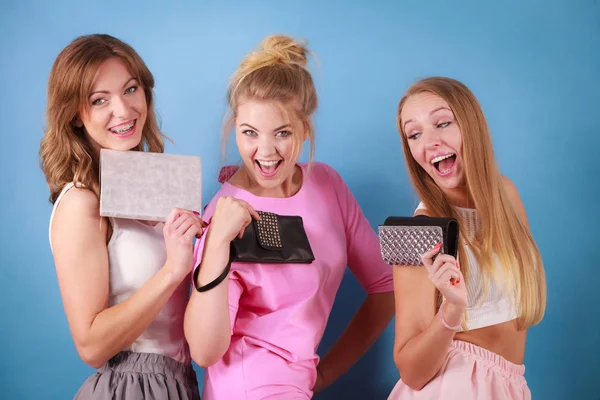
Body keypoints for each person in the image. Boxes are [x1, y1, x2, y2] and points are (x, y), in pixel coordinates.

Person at [184, 34, 395, 399]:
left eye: (281, 132)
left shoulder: (327, 185)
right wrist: (217, 240)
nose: (265, 152)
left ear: (304, 129)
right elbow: (204, 351)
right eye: (250, 133)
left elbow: (387, 285)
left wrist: (323, 373)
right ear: (235, 127)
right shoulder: (224, 211)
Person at [39, 34, 203, 400]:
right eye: (100, 100)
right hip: (130, 387)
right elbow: (92, 346)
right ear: (75, 116)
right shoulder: (81, 203)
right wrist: (173, 271)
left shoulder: (164, 187)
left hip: (180, 383)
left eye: (130, 89)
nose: (124, 110)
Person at [388, 77, 546, 399]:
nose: (428, 142)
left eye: (442, 123)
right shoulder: (420, 231)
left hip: (509, 386)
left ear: (472, 125)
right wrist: (452, 310)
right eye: (414, 134)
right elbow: (411, 373)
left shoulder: (507, 195)